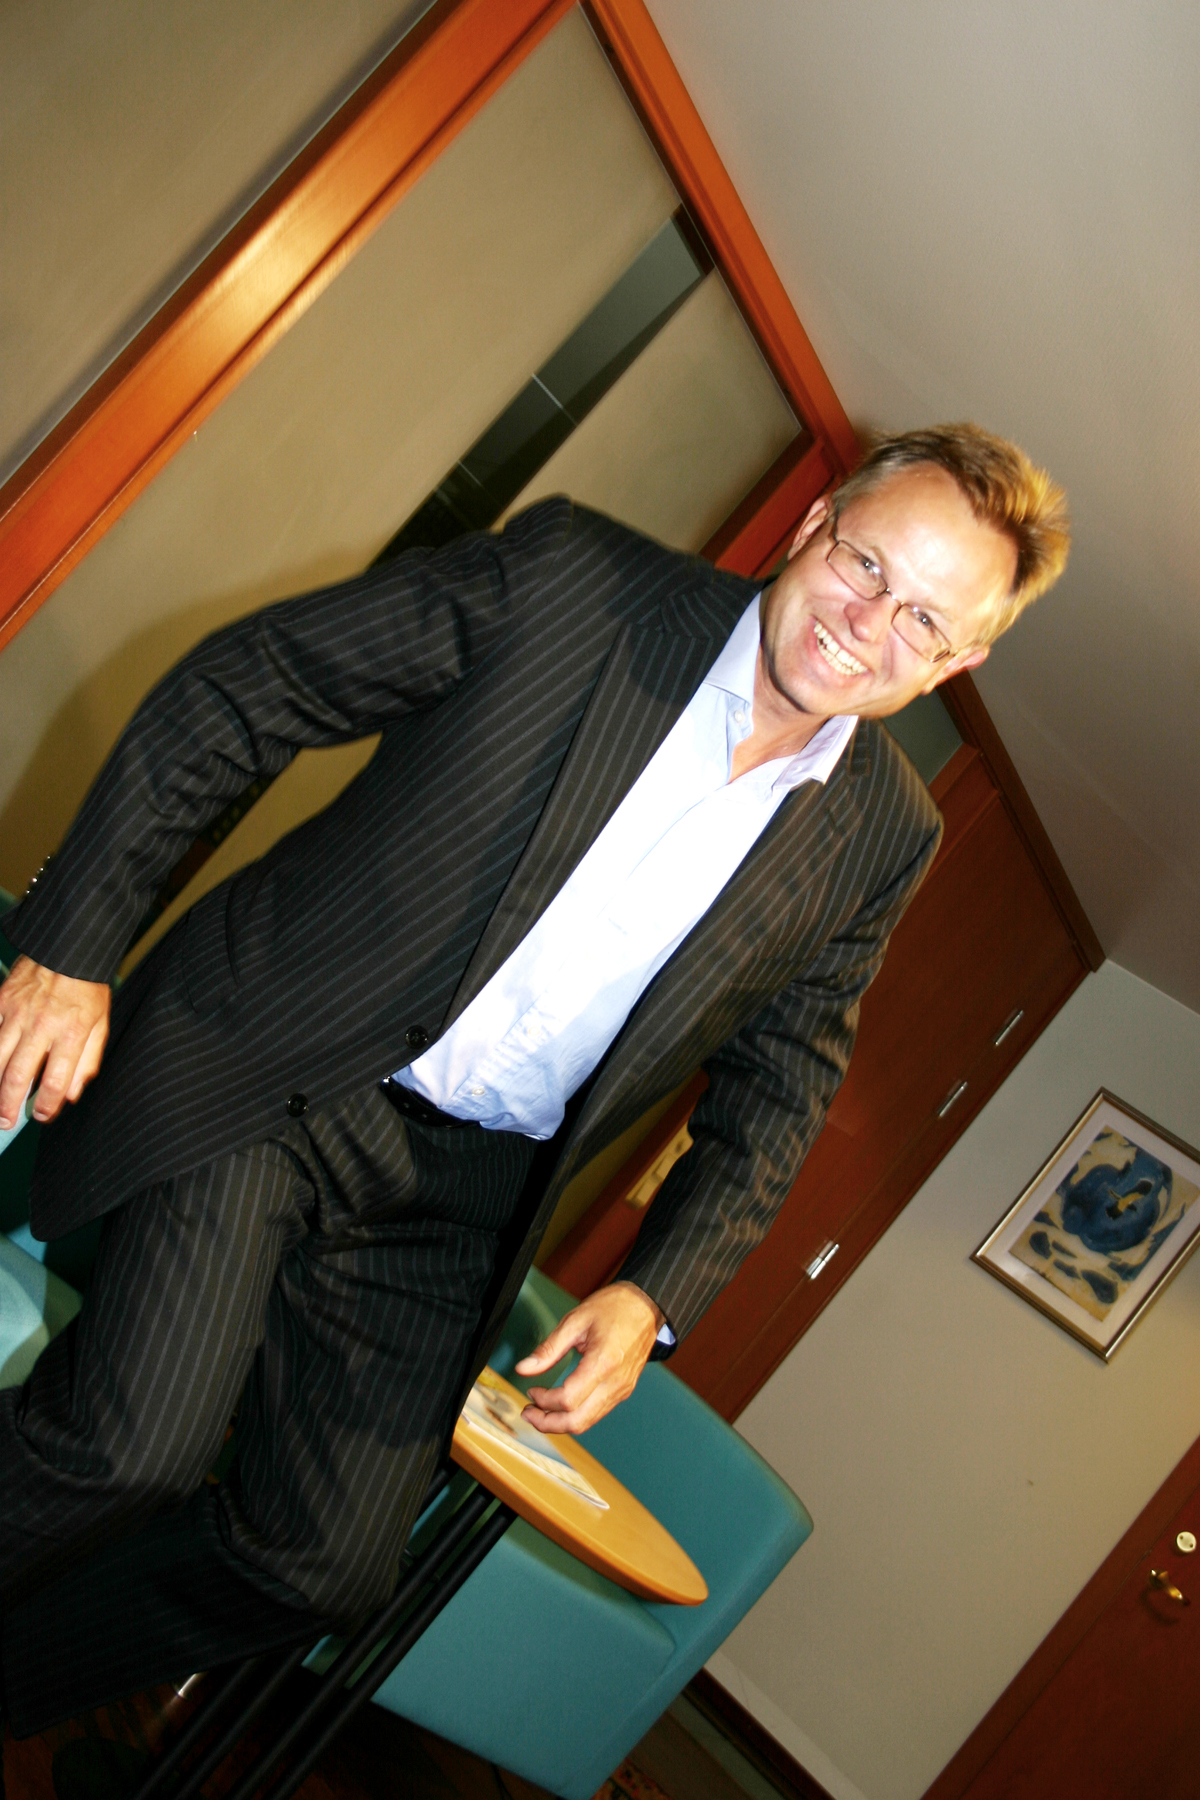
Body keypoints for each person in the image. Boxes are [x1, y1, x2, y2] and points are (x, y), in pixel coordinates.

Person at [0, 424, 1068, 1731]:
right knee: (127, 1450)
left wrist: (655, 1293)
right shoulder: (579, 583)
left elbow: (783, 1087)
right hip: (287, 1067)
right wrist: (72, 947)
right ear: (814, 526)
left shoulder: (884, 834)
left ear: (960, 660)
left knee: (319, 1565)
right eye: (866, 565)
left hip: (459, 1198)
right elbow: (255, 681)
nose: (868, 624)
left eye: (924, 620)